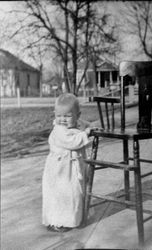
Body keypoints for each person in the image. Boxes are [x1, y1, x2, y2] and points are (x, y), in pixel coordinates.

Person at [42, 93, 91, 232]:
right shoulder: (59, 131)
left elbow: (83, 124)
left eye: (68, 116)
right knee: (60, 195)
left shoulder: (75, 125)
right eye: (59, 116)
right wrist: (86, 133)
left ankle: (71, 219)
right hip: (59, 170)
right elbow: (73, 142)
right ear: (55, 115)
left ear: (77, 115)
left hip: (71, 168)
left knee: (73, 194)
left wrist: (88, 127)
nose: (62, 119)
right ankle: (56, 221)